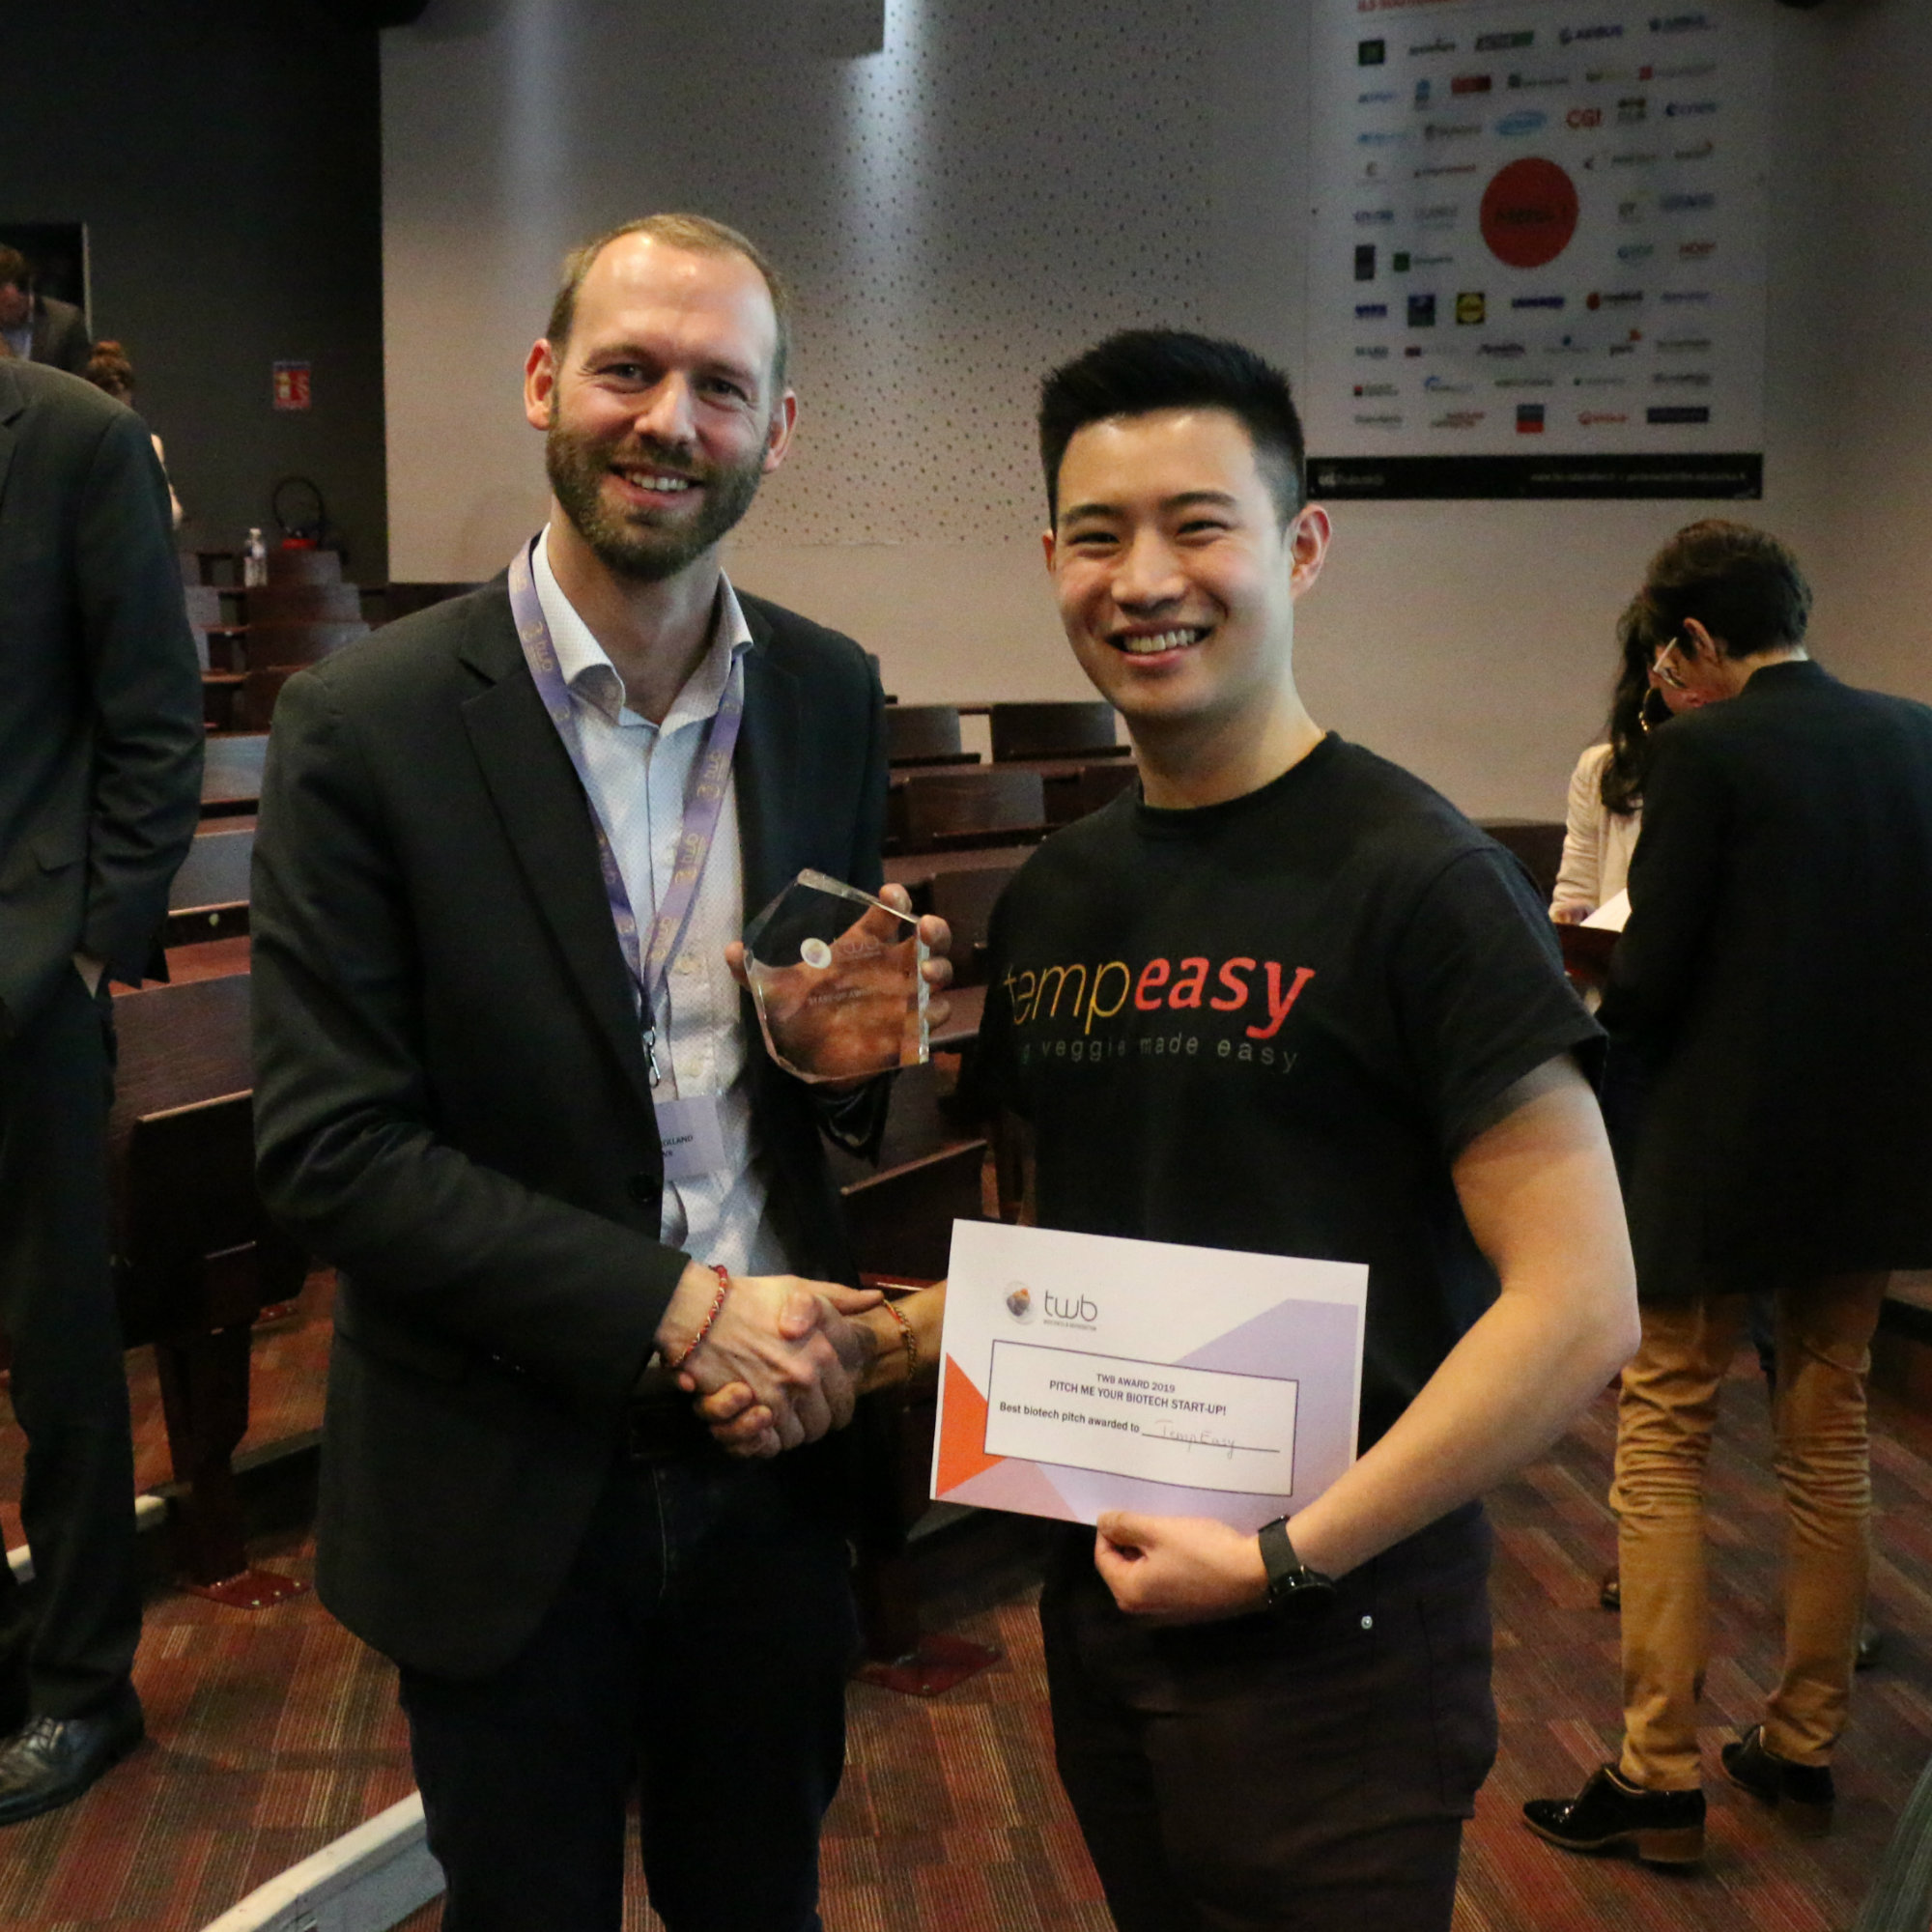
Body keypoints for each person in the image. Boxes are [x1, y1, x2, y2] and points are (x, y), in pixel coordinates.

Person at [706, 329, 1639, 1931]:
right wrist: (877, 1339)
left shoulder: (1420, 881)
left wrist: (1287, 1560)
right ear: (1051, 563)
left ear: (1302, 543)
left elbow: (1581, 1306)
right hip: (1116, 1594)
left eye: (1199, 526)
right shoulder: (1065, 893)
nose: (1145, 580)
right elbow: (1103, 1269)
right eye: (1099, 535)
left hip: (1341, 1628)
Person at [250, 213, 949, 1932]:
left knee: (758, 1904)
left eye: (722, 387)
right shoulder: (366, 724)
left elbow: (796, 1090)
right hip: (506, 1462)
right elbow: (334, 1152)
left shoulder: (828, 692)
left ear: (777, 429)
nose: (669, 422)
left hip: (769, 1457)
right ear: (545, 383)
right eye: (629, 370)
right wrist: (677, 1310)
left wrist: (836, 1060)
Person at [1524, 521, 1932, 1863]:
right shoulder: (1916, 736)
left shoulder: (1703, 752)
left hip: (1714, 1151)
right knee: (1827, 1434)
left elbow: (1647, 985)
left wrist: (1607, 977)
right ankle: (1803, 1739)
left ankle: (1655, 1771)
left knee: (1663, 1434)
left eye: (1665, 657)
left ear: (1694, 639)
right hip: (1872, 1154)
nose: (1662, 681)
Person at [0, 351, 204, 1817]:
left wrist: (80, 955)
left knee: (56, 1354)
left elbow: (153, 718)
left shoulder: (77, 439)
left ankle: (83, 1686)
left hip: (23, 989)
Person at [1549, 601, 1704, 923]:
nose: (1694, 690)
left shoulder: (1747, 759)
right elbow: (1576, 891)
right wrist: (1574, 915)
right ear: (1651, 672)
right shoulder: (1600, 768)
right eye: (1675, 669)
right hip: (1620, 947)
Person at [81, 341, 183, 530]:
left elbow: (171, 513)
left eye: (124, 410)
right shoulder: (74, 447)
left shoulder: (148, 443)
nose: (118, 420)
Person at [0, 250, 91, 375]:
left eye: (8, 306)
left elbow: (84, 381)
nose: (2, 316)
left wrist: (9, 362)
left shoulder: (66, 323)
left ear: (25, 291)